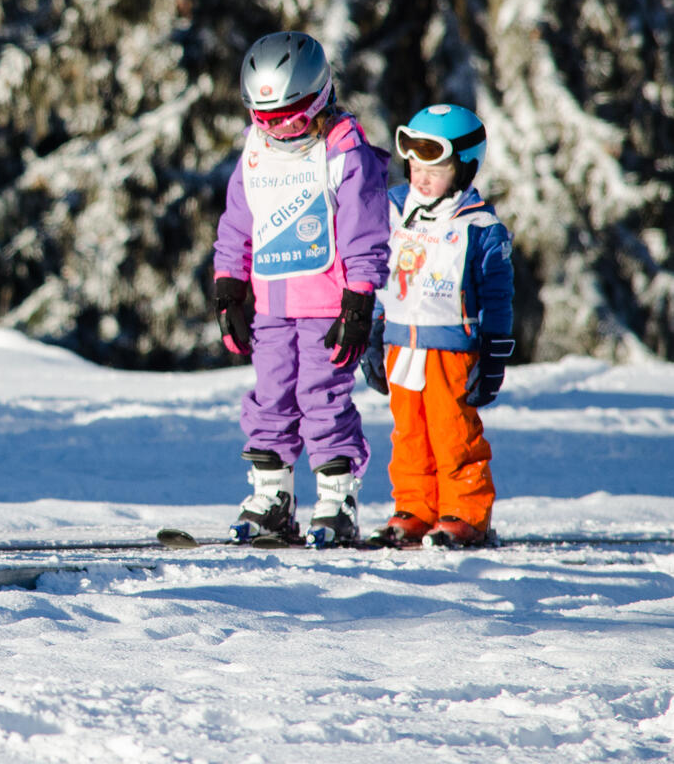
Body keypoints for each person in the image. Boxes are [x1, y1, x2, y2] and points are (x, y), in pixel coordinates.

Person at [212, 32, 392, 546]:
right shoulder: (256, 153)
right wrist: (229, 288)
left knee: (322, 398)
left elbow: (365, 228)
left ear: (319, 98)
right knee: (270, 396)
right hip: (272, 303)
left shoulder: (342, 150)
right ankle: (272, 496)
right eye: (263, 118)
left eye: (289, 116)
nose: (277, 130)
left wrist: (359, 298)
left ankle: (337, 499)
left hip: (327, 305)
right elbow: (239, 223)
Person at [362, 104, 515, 549]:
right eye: (413, 164)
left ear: (465, 167)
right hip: (400, 344)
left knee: (453, 433)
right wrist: (373, 331)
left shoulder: (480, 227)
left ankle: (465, 513)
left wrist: (494, 352)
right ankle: (414, 508)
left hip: (451, 349)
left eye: (436, 167)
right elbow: (377, 271)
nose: (421, 177)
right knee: (408, 433)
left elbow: (497, 299)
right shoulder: (393, 209)